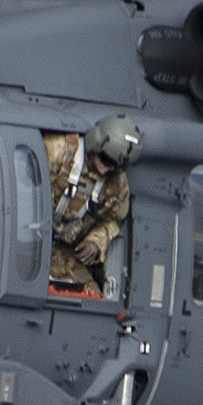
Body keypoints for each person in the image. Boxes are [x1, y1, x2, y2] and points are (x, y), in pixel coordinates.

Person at [48, 116, 140, 295]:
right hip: (25, 240)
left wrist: (96, 242)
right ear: (95, 143)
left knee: (90, 296)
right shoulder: (57, 151)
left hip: (62, 251)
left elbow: (113, 220)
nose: (107, 169)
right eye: (106, 160)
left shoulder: (117, 185)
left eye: (115, 166)